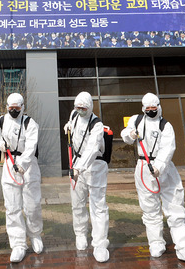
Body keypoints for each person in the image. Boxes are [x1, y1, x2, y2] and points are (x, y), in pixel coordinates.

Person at [121, 93, 185, 262]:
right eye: (148, 109)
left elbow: (168, 148)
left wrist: (159, 166)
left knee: (175, 208)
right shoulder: (136, 120)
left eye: (154, 108)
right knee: (150, 209)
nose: (151, 111)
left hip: (164, 170)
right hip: (143, 168)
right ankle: (156, 243)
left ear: (159, 106)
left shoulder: (166, 125)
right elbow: (126, 134)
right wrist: (131, 134)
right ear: (143, 108)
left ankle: (184, 246)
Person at [0, 93, 43, 263]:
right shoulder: (1, 120)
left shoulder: (30, 123)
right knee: (12, 207)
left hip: (28, 167)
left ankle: (35, 235)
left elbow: (31, 146)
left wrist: (23, 163)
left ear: (23, 106)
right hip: (9, 165)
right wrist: (0, 144)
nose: (13, 111)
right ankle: (18, 244)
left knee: (32, 205)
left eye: (17, 108)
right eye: (11, 108)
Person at [63, 91, 110, 263]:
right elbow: (72, 123)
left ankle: (100, 244)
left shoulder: (97, 125)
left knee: (98, 206)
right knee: (78, 203)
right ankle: (81, 234)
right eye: (77, 107)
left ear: (90, 107)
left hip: (95, 166)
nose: (80, 110)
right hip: (76, 163)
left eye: (83, 108)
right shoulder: (74, 114)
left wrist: (79, 168)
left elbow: (91, 149)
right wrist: (68, 126)